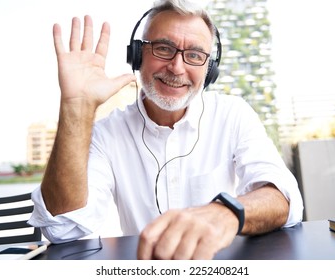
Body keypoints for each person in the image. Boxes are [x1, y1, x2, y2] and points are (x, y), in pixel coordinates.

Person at [29, 0, 303, 260]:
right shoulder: (106, 133)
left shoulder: (233, 114)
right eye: (162, 48)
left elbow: (283, 199)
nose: (177, 67)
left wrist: (226, 212)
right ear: (137, 55)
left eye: (194, 55)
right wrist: (76, 107)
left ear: (210, 70)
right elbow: (63, 228)